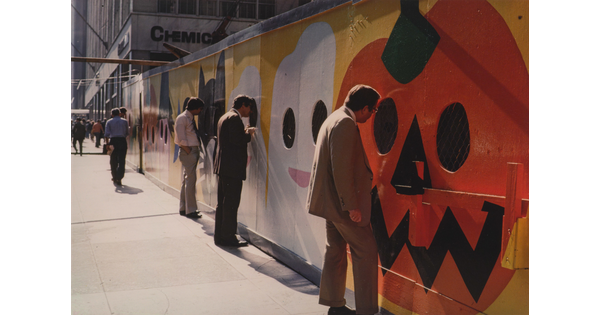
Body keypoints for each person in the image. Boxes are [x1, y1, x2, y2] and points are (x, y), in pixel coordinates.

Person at [305, 85, 381, 315]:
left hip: (330, 203)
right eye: (373, 111)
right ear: (364, 108)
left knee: (336, 249)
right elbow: (342, 170)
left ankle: (335, 304)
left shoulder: (333, 118)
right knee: (366, 250)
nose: (371, 116)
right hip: (341, 205)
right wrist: (352, 207)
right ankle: (366, 310)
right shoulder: (346, 123)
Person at [213, 95, 256, 247]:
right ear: (243, 105)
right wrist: (248, 134)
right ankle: (229, 237)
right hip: (232, 169)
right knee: (231, 204)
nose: (250, 111)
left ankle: (220, 236)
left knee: (222, 204)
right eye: (249, 107)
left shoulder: (224, 117)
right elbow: (237, 140)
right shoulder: (234, 119)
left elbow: (229, 138)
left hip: (223, 167)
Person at [174, 97, 204, 219]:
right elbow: (180, 138)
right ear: (196, 108)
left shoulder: (188, 118)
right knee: (190, 181)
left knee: (186, 180)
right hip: (188, 151)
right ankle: (190, 210)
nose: (201, 111)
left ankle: (183, 208)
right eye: (200, 109)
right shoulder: (182, 118)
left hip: (190, 151)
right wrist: (189, 151)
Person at [105, 108, 130, 185]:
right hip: (122, 141)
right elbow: (127, 133)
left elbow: (106, 134)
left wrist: (107, 144)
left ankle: (114, 176)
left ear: (112, 114)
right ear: (119, 114)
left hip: (113, 141)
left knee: (113, 160)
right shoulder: (125, 121)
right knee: (122, 160)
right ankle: (119, 177)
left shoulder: (109, 122)